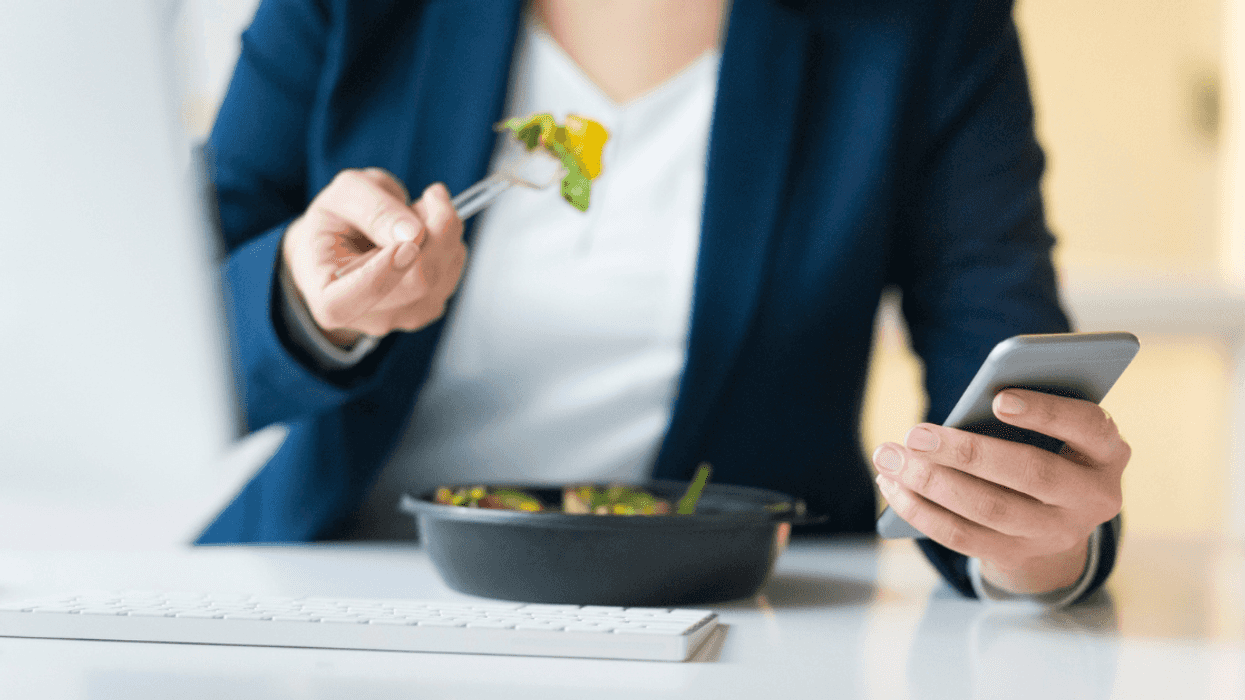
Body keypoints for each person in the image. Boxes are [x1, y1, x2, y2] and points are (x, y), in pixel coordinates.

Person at [199, 0, 1129, 607]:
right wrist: (307, 306)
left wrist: (1028, 548)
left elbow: (1006, 379)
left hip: (742, 624)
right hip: (343, 599)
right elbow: (163, 335)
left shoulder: (929, 27)